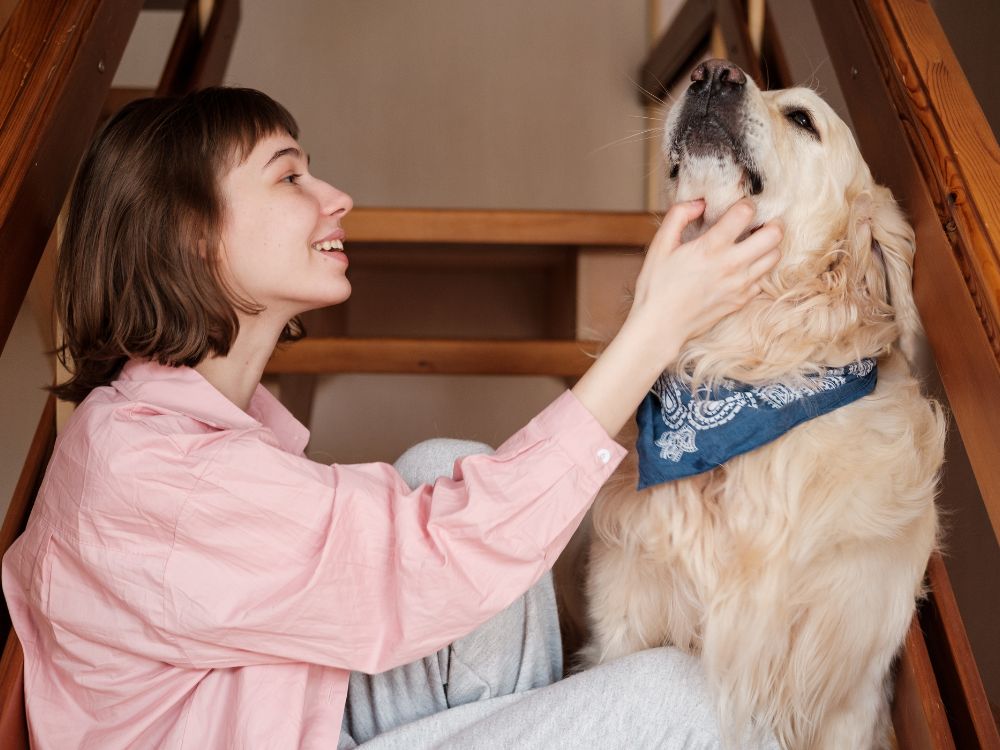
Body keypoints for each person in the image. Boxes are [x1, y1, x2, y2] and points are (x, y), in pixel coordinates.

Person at [1, 87, 782, 749]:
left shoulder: (156, 437)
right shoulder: (162, 478)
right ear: (194, 235)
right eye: (290, 177)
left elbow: (423, 562)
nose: (335, 198)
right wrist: (656, 329)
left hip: (293, 714)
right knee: (688, 703)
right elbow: (437, 560)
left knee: (443, 467)